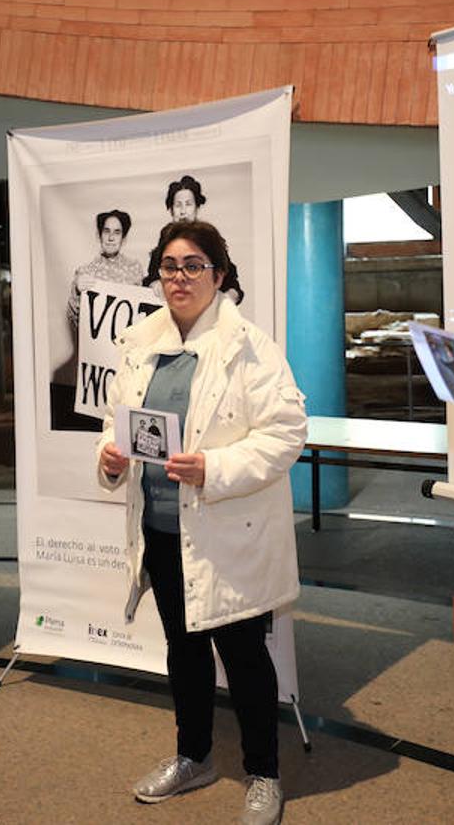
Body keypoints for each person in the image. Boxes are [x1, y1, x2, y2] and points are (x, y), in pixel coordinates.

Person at [96, 220, 306, 825]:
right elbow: (119, 423)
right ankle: (194, 756)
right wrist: (109, 456)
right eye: (168, 266)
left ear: (218, 274)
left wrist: (214, 467)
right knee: (183, 650)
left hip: (226, 531)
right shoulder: (139, 341)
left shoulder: (250, 346)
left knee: (243, 657)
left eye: (192, 266)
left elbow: (286, 433)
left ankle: (264, 773)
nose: (178, 278)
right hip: (162, 528)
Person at [143, 176, 245, 304]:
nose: (183, 211)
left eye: (188, 204)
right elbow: (151, 278)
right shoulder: (164, 240)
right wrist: (155, 284)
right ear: (171, 210)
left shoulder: (211, 239)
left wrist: (229, 297)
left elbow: (232, 285)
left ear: (197, 208)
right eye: (178, 205)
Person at [68, 209, 146, 332]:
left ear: (123, 238)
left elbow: (143, 313)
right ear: (99, 236)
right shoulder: (85, 272)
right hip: (98, 345)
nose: (111, 238)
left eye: (117, 232)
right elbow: (74, 319)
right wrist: (77, 291)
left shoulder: (135, 269)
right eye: (106, 231)